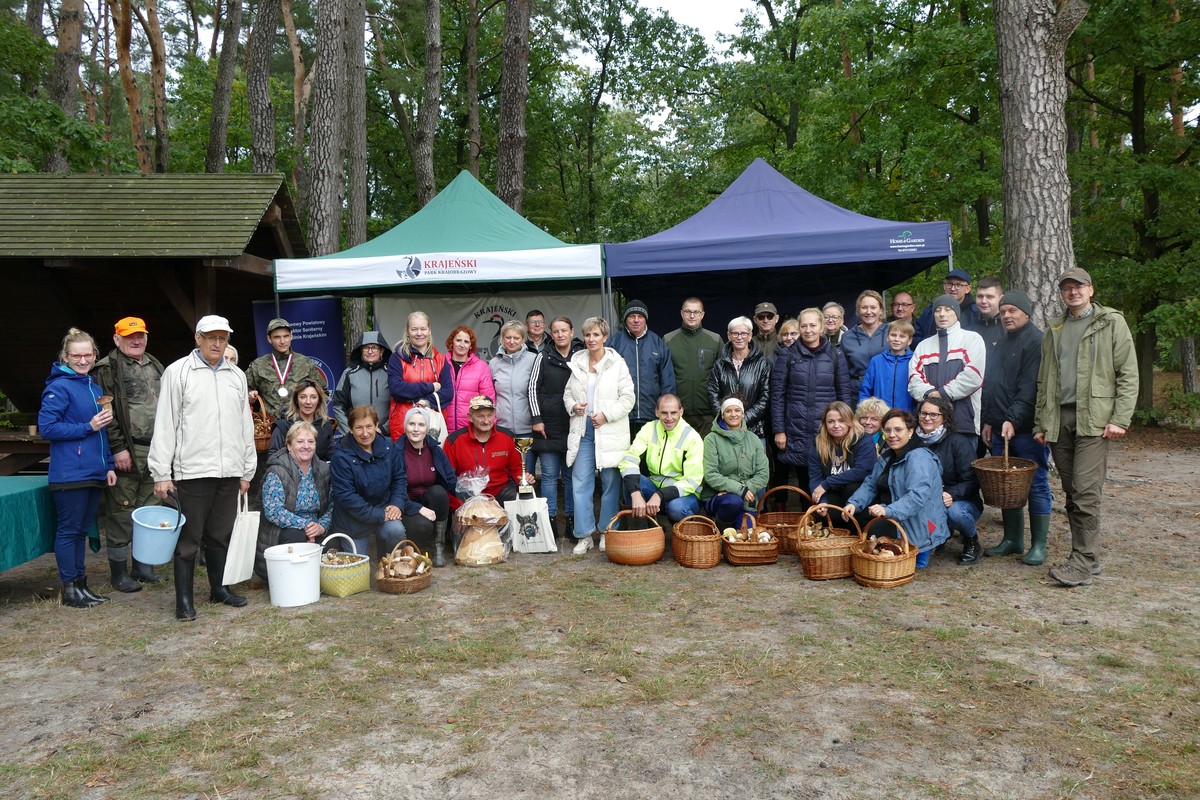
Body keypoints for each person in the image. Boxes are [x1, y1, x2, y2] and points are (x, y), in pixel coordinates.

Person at [1034, 268, 1138, 587]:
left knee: (1085, 490)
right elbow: (1044, 380)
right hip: (1059, 419)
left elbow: (1128, 372)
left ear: (1090, 290)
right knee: (1072, 490)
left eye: (1078, 287)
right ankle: (1086, 558)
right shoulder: (1055, 327)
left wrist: (1120, 418)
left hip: (1094, 418)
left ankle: (1083, 562)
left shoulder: (1111, 322)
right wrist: (1041, 422)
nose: (1072, 292)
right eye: (1066, 288)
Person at [149, 315, 256, 621]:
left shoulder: (236, 375)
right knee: (189, 539)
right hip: (193, 470)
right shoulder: (178, 372)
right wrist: (161, 472)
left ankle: (219, 589)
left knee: (220, 535)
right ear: (198, 338)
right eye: (211, 338)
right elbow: (166, 424)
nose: (217, 343)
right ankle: (184, 601)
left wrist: (247, 469)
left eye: (222, 338)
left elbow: (244, 424)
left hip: (229, 470)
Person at [39, 328, 118, 608]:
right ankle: (70, 588)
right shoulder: (59, 387)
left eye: (88, 354)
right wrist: (87, 426)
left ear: (95, 355)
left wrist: (108, 464)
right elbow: (47, 427)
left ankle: (81, 586)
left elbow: (102, 432)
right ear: (65, 356)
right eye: (77, 355)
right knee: (69, 531)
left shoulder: (93, 387)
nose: (83, 360)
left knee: (81, 531)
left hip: (94, 471)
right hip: (69, 472)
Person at [92, 316, 165, 592]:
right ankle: (119, 572)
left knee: (149, 507)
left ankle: (143, 565)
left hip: (155, 449)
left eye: (140, 336)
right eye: (129, 336)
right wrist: (118, 448)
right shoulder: (107, 369)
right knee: (122, 511)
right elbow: (105, 414)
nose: (136, 341)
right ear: (116, 339)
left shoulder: (154, 363)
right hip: (128, 449)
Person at [980, 290, 1052, 564]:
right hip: (1000, 428)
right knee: (1007, 484)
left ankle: (1038, 545)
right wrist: (989, 419)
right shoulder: (1000, 340)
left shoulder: (1036, 342)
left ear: (1027, 313)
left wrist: (1012, 418)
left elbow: (1029, 388)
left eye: (1012, 310)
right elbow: (992, 383)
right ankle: (1012, 539)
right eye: (1003, 311)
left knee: (1035, 485)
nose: (1006, 316)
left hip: (1025, 430)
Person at [844, 409, 950, 568]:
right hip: (896, 514)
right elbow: (871, 483)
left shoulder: (919, 457)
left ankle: (922, 549)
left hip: (919, 521)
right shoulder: (888, 454)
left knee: (874, 530)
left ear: (911, 431)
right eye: (887, 430)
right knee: (859, 519)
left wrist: (887, 511)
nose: (892, 434)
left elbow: (916, 497)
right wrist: (854, 503)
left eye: (898, 430)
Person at [564, 317, 635, 553]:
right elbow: (567, 394)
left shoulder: (618, 363)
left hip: (610, 431)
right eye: (587, 335)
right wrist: (574, 407)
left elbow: (628, 399)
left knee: (610, 484)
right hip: (583, 430)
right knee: (580, 483)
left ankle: (607, 531)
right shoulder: (576, 361)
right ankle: (584, 535)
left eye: (595, 335)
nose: (591, 339)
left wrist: (606, 415)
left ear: (605, 337)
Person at [770, 307, 852, 494]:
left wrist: (846, 427)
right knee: (801, 481)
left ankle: (821, 520)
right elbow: (777, 395)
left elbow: (844, 394)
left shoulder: (835, 354)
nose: (808, 330)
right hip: (795, 427)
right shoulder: (787, 355)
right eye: (804, 325)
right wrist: (779, 430)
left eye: (813, 325)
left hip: (825, 428)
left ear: (822, 327)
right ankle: (803, 521)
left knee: (824, 479)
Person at [528, 316, 584, 538]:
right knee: (550, 476)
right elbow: (532, 389)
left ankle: (572, 522)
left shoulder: (581, 356)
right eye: (556, 331)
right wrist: (536, 419)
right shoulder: (542, 357)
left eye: (564, 330)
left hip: (574, 425)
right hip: (547, 427)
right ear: (551, 334)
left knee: (571, 477)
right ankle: (550, 522)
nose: (560, 335)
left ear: (572, 332)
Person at [330, 405, 409, 558]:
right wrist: (379, 514)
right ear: (350, 429)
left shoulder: (388, 446)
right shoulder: (341, 456)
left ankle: (392, 571)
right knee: (358, 573)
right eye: (359, 428)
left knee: (396, 530)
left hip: (384, 510)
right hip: (353, 521)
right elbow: (347, 497)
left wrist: (396, 504)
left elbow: (399, 478)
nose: (365, 433)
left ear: (376, 425)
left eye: (369, 426)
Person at [256, 421, 332, 580]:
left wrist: (320, 527)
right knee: (295, 538)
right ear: (289, 446)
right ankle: (293, 580)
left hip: (315, 528)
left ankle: (319, 577)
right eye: (300, 442)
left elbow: (332, 505)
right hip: (284, 532)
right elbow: (273, 511)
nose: (306, 446)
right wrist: (306, 526)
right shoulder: (277, 470)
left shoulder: (324, 469)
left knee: (334, 539)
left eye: (311, 441)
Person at [915, 396, 984, 565]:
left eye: (933, 415)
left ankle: (972, 541)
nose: (927, 418)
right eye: (923, 413)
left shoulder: (958, 442)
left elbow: (973, 480)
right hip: (924, 499)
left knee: (955, 512)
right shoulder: (913, 441)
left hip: (959, 500)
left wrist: (951, 493)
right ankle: (938, 535)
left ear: (944, 417)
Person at [619, 394, 704, 531]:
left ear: (681, 412)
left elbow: (692, 480)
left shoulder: (692, 437)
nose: (669, 418)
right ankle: (644, 531)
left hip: (684, 495)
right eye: (664, 413)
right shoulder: (649, 428)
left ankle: (686, 532)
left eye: (673, 413)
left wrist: (660, 495)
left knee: (676, 508)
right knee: (629, 480)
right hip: (655, 488)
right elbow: (629, 458)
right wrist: (635, 492)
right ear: (656, 412)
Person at [909, 293, 987, 438]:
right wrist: (931, 395)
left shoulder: (972, 339)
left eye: (948, 309)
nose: (942, 314)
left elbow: (974, 376)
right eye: (938, 310)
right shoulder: (923, 346)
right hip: (930, 426)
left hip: (964, 423)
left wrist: (942, 394)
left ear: (957, 314)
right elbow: (914, 380)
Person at [443, 395, 532, 503]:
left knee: (526, 496)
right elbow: (447, 478)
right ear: (470, 417)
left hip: (500, 492)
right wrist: (459, 506)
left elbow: (516, 468)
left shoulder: (507, 437)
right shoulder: (454, 441)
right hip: (468, 495)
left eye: (490, 416)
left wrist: (523, 479)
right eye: (480, 416)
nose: (486, 421)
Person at [398, 407, 457, 567]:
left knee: (439, 492)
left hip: (430, 501)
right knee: (422, 526)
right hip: (406, 505)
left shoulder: (434, 450)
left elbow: (451, 479)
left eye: (421, 425)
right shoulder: (396, 452)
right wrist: (418, 509)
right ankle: (418, 549)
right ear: (405, 427)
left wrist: (469, 493)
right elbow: (394, 491)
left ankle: (438, 547)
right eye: (411, 424)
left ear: (427, 428)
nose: (416, 429)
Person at [609, 299, 675, 437]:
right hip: (622, 415)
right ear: (626, 320)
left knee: (649, 457)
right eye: (632, 316)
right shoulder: (614, 342)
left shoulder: (658, 343)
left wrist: (666, 409)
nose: (636, 320)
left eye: (640, 316)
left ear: (646, 320)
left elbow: (667, 380)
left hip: (651, 414)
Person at [702, 396, 769, 527]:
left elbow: (763, 473)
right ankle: (720, 529)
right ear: (722, 414)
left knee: (747, 537)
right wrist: (738, 490)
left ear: (743, 414)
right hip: (720, 497)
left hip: (746, 498)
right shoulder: (711, 439)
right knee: (733, 502)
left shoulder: (754, 439)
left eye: (737, 410)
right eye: (728, 411)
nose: (733, 414)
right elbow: (710, 474)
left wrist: (744, 490)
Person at [387, 311, 453, 441]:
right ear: (407, 332)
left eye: (423, 329)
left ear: (429, 332)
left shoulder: (440, 360)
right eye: (414, 329)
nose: (419, 333)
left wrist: (425, 401)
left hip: (433, 425)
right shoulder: (397, 358)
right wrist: (431, 386)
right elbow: (396, 389)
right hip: (402, 424)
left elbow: (448, 393)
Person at [245, 317, 328, 421]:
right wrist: (250, 396)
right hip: (270, 426)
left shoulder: (305, 363)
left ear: (291, 336)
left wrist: (310, 412)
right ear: (269, 339)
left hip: (301, 425)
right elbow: (243, 391)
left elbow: (323, 392)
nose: (282, 341)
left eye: (286, 336)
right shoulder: (258, 365)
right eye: (277, 337)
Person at [807, 401, 877, 521]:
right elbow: (815, 477)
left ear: (850, 421)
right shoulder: (819, 443)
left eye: (841, 420)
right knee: (824, 513)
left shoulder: (863, 439)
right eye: (831, 422)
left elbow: (863, 471)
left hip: (858, 493)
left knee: (851, 488)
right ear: (825, 424)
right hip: (832, 492)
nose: (836, 425)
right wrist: (822, 502)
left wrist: (827, 483)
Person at [665, 297, 723, 437]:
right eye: (688, 311)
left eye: (696, 312)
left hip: (707, 415)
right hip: (677, 414)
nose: (692, 315)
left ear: (702, 314)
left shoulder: (715, 340)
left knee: (706, 457)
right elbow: (663, 376)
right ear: (681, 313)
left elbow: (723, 378)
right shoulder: (668, 340)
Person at [707, 316, 771, 440]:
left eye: (743, 333)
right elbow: (712, 394)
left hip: (753, 431)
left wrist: (742, 419)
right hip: (725, 431)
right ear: (729, 335)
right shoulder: (720, 365)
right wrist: (727, 419)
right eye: (735, 333)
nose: (739, 337)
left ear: (750, 335)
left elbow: (764, 397)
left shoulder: (762, 363)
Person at [489, 320, 537, 466]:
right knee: (504, 472)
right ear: (502, 339)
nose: (511, 341)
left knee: (526, 474)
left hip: (527, 429)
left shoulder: (533, 360)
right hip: (502, 429)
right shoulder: (494, 363)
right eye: (508, 337)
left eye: (516, 338)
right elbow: (490, 394)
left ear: (523, 339)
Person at [333, 331, 392, 438]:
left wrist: (384, 429)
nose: (370, 351)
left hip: (386, 436)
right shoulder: (349, 374)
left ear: (382, 351)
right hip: (355, 438)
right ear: (360, 350)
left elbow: (399, 407)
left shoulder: (391, 374)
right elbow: (338, 405)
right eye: (366, 348)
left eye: (374, 347)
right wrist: (350, 432)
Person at [268, 379, 337, 462]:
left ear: (319, 401)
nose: (308, 402)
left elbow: (332, 456)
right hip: (288, 473)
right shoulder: (283, 426)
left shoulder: (325, 425)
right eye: (303, 397)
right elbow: (273, 458)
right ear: (296, 400)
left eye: (313, 397)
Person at [444, 325, 494, 434]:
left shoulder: (481, 367)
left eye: (466, 341)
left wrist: (489, 425)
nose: (462, 345)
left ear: (471, 345)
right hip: (443, 426)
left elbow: (488, 399)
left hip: (471, 428)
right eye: (458, 340)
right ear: (452, 342)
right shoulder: (440, 363)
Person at [858, 319, 915, 414]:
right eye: (893, 335)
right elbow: (866, 389)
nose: (897, 339)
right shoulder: (876, 361)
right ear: (887, 337)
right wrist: (864, 412)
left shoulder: (914, 361)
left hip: (907, 415)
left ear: (909, 341)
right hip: (880, 415)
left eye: (902, 336)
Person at [840, 290, 890, 397]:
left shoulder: (893, 331)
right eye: (864, 307)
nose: (868, 311)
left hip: (886, 390)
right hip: (857, 392)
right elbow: (843, 372)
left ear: (881, 310)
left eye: (873, 307)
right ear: (858, 310)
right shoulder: (847, 337)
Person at [914, 268, 980, 341]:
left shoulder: (976, 312)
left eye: (958, 285)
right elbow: (914, 337)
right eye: (949, 284)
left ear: (968, 288)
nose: (953, 288)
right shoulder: (930, 311)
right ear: (944, 286)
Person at [965, 277, 1005, 359]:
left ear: (1001, 299)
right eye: (980, 296)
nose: (983, 301)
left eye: (989, 297)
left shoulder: (1007, 328)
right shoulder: (969, 328)